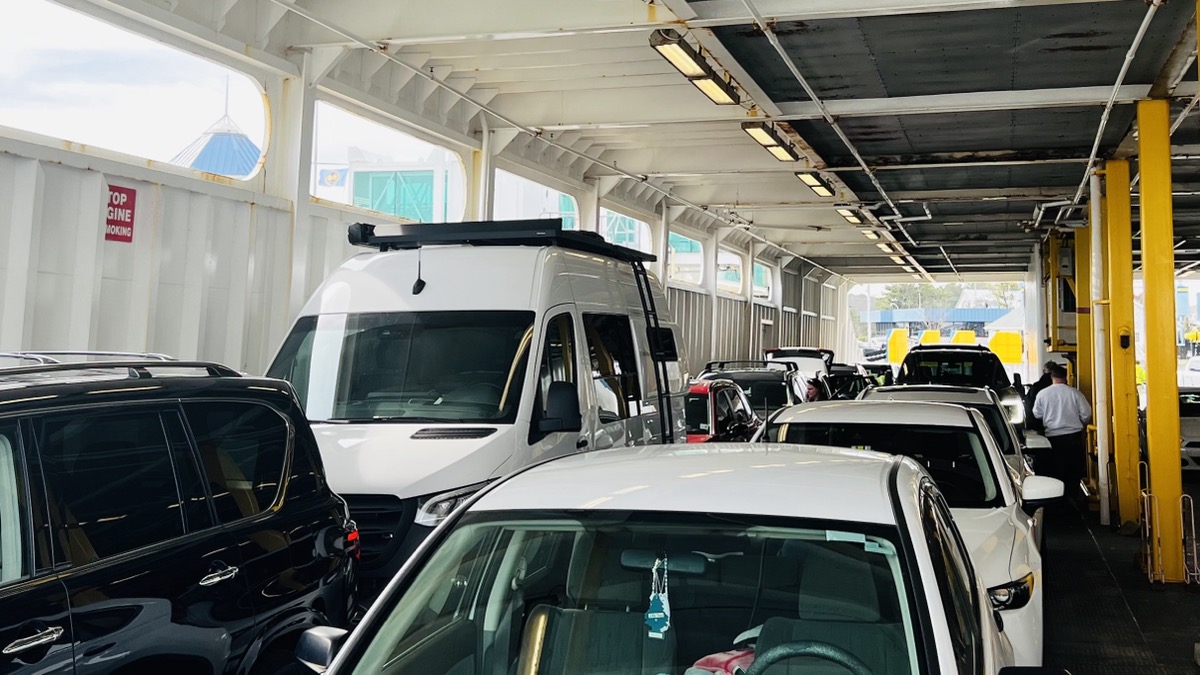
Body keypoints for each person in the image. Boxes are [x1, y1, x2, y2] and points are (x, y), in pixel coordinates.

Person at [1031, 363, 1092, 493]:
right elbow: (1087, 414)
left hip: (1052, 440)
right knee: (1073, 472)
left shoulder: (1042, 394)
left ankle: (1058, 501)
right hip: (1073, 438)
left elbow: (1037, 414)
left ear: (1051, 377)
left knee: (1055, 472)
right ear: (1066, 377)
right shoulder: (1075, 393)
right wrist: (1080, 422)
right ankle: (1072, 499)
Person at [1023, 361, 1056, 434]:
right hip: (1058, 428)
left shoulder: (1036, 387)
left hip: (1039, 426)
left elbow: (1029, 406)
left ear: (1043, 371)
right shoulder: (1064, 389)